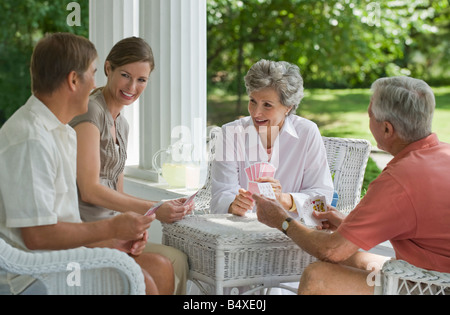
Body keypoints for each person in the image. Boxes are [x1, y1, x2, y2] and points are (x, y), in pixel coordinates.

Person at [0, 33, 173, 295]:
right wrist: (111, 228)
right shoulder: (31, 139)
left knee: (161, 268)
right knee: (143, 281)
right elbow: (37, 237)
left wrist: (114, 238)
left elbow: (64, 219)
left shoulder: (60, 132)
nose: (95, 83)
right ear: (73, 80)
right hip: (36, 273)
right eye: (92, 73)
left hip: (63, 256)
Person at [254, 76, 450, 295]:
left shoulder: (398, 180)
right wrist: (348, 224)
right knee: (352, 257)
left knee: (317, 277)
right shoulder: (443, 153)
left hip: (435, 287)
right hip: (431, 273)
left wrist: (281, 220)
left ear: (387, 129)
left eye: (370, 114)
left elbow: (331, 251)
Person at [69, 37, 191, 295]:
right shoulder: (91, 111)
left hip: (110, 229)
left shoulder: (122, 125)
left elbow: (119, 195)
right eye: (125, 75)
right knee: (160, 265)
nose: (132, 86)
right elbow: (89, 190)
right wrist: (155, 209)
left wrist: (136, 230)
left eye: (141, 80)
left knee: (175, 261)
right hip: (83, 231)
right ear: (108, 68)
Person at [211, 59, 334, 216]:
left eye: (267, 105)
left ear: (288, 107)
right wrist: (232, 205)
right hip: (241, 232)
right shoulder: (230, 133)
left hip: (291, 233)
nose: (256, 113)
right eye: (253, 101)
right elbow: (220, 195)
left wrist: (284, 199)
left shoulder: (307, 133)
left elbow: (322, 200)